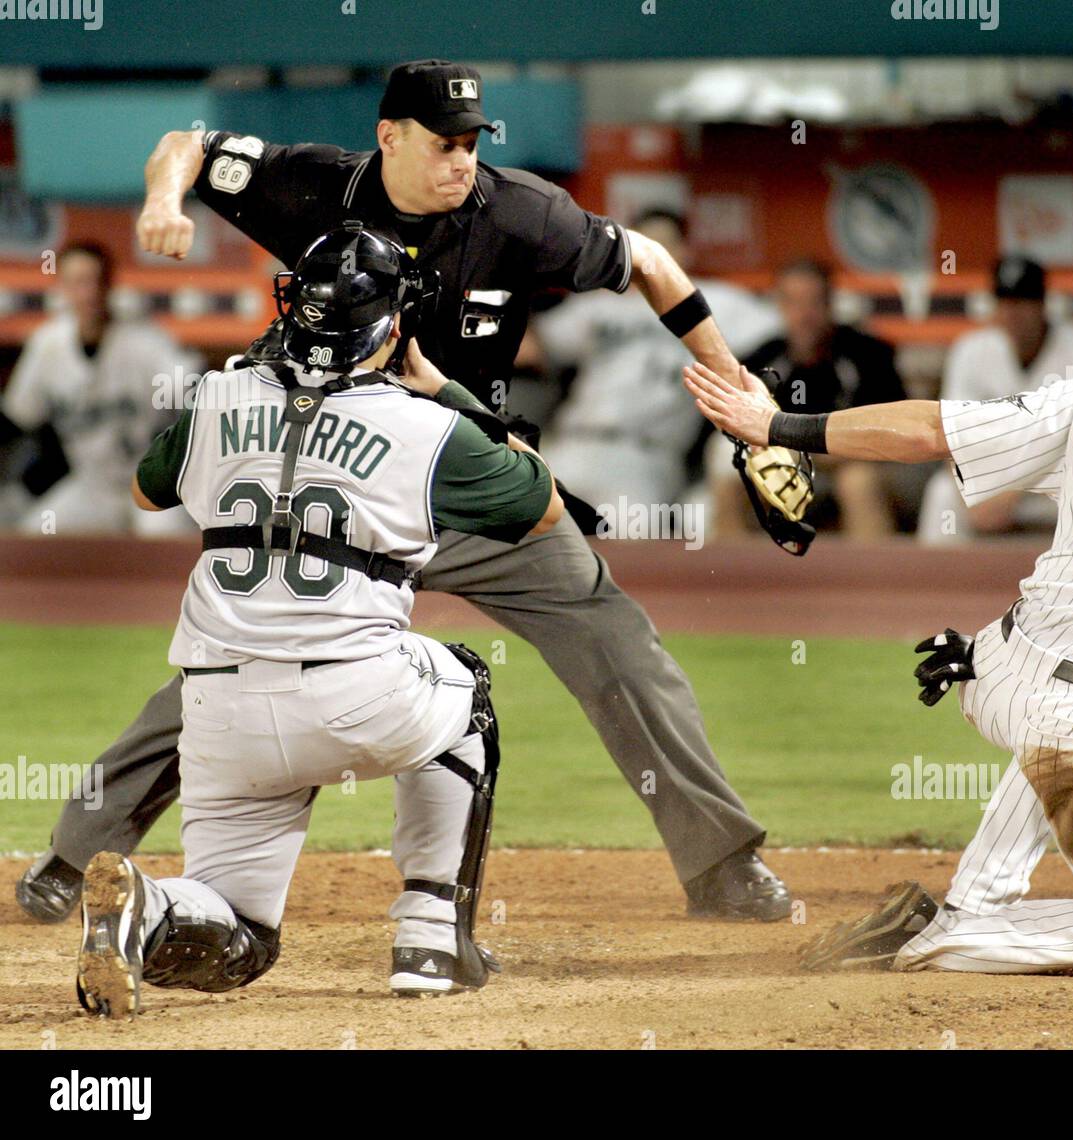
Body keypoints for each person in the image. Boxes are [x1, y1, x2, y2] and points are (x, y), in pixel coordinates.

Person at [17, 59, 791, 927]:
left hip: (469, 477)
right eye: (443, 144)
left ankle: (722, 864)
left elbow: (648, 260)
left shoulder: (521, 211)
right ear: (388, 137)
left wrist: (738, 389)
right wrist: (162, 202)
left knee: (616, 641)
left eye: (471, 143)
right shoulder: (311, 184)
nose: (462, 161)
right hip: (342, 484)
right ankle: (74, 856)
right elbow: (183, 145)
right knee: (237, 665)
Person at [686, 249, 1073, 976]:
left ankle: (973, 903)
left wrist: (779, 425)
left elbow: (927, 431)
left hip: (991, 663)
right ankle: (935, 941)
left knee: (1064, 724)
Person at [75, 225, 563, 1019]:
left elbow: (144, 492)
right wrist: (447, 392)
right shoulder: (423, 423)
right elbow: (541, 503)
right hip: (359, 694)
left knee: (238, 940)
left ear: (293, 306)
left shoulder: (219, 393)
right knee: (468, 686)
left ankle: (148, 907)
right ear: (394, 325)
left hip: (217, 708)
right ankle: (432, 936)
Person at [523, 207, 780, 514]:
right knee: (523, 533)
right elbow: (528, 350)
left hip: (643, 456)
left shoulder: (717, 302)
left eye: (665, 244)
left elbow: (790, 323)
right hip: (571, 443)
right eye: (644, 244)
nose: (653, 255)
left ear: (685, 252)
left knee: (627, 549)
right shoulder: (599, 304)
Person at [1, 242, 198, 535]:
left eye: (95, 281)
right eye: (77, 282)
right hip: (93, 487)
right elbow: (18, 418)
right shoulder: (48, 344)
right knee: (37, 535)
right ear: (62, 288)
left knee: (168, 539)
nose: (88, 292)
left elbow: (194, 389)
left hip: (151, 479)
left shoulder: (144, 341)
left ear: (109, 285)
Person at [916, 256, 1073, 544]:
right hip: (992, 480)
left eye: (1023, 302)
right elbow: (951, 434)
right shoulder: (972, 350)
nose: (1012, 313)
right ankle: (936, 587)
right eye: (1005, 302)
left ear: (1042, 304)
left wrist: (1011, 490)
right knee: (942, 494)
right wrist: (969, 489)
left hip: (1063, 482)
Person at [711, 259, 905, 541]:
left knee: (857, 482)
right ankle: (736, 581)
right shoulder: (760, 361)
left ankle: (872, 582)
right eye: (793, 303)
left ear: (830, 305)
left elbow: (887, 435)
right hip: (787, 469)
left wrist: (807, 452)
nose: (804, 315)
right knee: (734, 483)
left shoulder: (868, 356)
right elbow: (734, 433)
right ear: (778, 306)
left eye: (813, 303)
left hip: (859, 469)